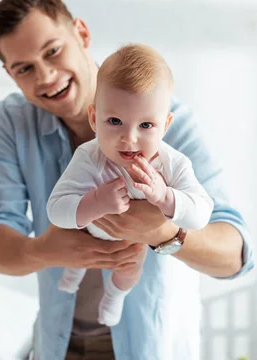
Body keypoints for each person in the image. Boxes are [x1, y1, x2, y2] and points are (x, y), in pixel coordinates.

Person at [0, 0, 254, 360]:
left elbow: (234, 254)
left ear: (82, 34)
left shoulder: (170, 126)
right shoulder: (12, 122)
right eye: (24, 68)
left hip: (150, 344)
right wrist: (43, 250)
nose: (47, 76)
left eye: (53, 51)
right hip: (58, 343)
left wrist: (163, 232)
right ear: (10, 73)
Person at [46, 43, 214, 327]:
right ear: (94, 119)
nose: (130, 139)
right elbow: (56, 210)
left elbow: (202, 214)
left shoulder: (172, 163)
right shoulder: (89, 156)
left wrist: (165, 197)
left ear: (166, 124)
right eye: (115, 121)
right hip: (88, 232)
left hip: (131, 244)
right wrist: (95, 202)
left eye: (146, 125)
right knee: (77, 252)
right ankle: (72, 277)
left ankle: (114, 296)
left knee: (129, 270)